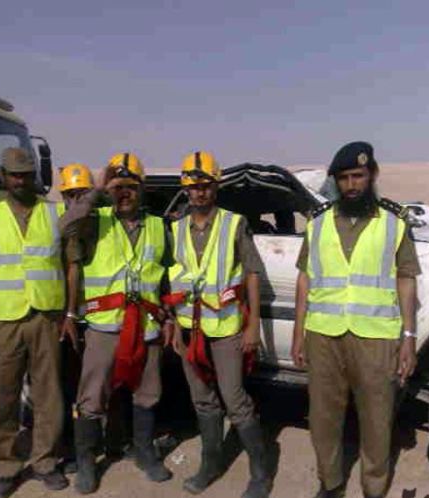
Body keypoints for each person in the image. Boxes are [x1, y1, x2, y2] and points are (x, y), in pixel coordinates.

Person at [290, 142, 420, 498]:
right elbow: (305, 278)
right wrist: (299, 333)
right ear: (335, 181)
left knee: (377, 419)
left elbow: (406, 279)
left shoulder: (393, 223)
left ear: (372, 175)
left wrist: (408, 336)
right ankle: (330, 483)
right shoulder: (317, 224)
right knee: (323, 418)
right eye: (344, 178)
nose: (351, 185)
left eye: (358, 176)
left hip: (376, 338)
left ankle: (373, 487)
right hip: (323, 335)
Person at [64, 152, 173, 494]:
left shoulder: (158, 225)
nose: (124, 193)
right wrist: (96, 190)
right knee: (92, 398)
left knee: (147, 394)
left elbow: (167, 275)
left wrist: (168, 316)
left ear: (142, 189)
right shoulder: (95, 221)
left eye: (130, 186)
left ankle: (144, 452)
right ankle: (86, 463)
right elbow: (64, 226)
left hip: (147, 326)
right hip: (105, 328)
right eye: (117, 187)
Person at [167, 151, 272, 498]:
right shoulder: (176, 229)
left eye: (205, 185)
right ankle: (210, 464)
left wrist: (252, 324)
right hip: (189, 329)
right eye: (193, 186)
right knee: (203, 400)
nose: (199, 192)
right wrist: (171, 322)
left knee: (235, 398)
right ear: (185, 188)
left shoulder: (233, 224)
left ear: (216, 186)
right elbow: (169, 280)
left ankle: (260, 471)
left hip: (225, 327)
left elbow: (253, 274)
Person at [0, 147, 70, 498]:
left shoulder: (55, 214)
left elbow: (71, 267)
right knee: (4, 398)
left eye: (27, 175)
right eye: (15, 174)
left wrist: (69, 314)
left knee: (49, 395)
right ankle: (7, 467)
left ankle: (45, 462)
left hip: (46, 317)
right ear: (3, 177)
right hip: (4, 320)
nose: (21, 180)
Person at [57, 163, 95, 474]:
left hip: (97, 319)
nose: (76, 200)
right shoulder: (62, 224)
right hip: (69, 320)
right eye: (71, 194)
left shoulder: (100, 223)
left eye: (82, 193)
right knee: (68, 387)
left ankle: (104, 441)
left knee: (98, 387)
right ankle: (70, 448)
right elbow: (71, 223)